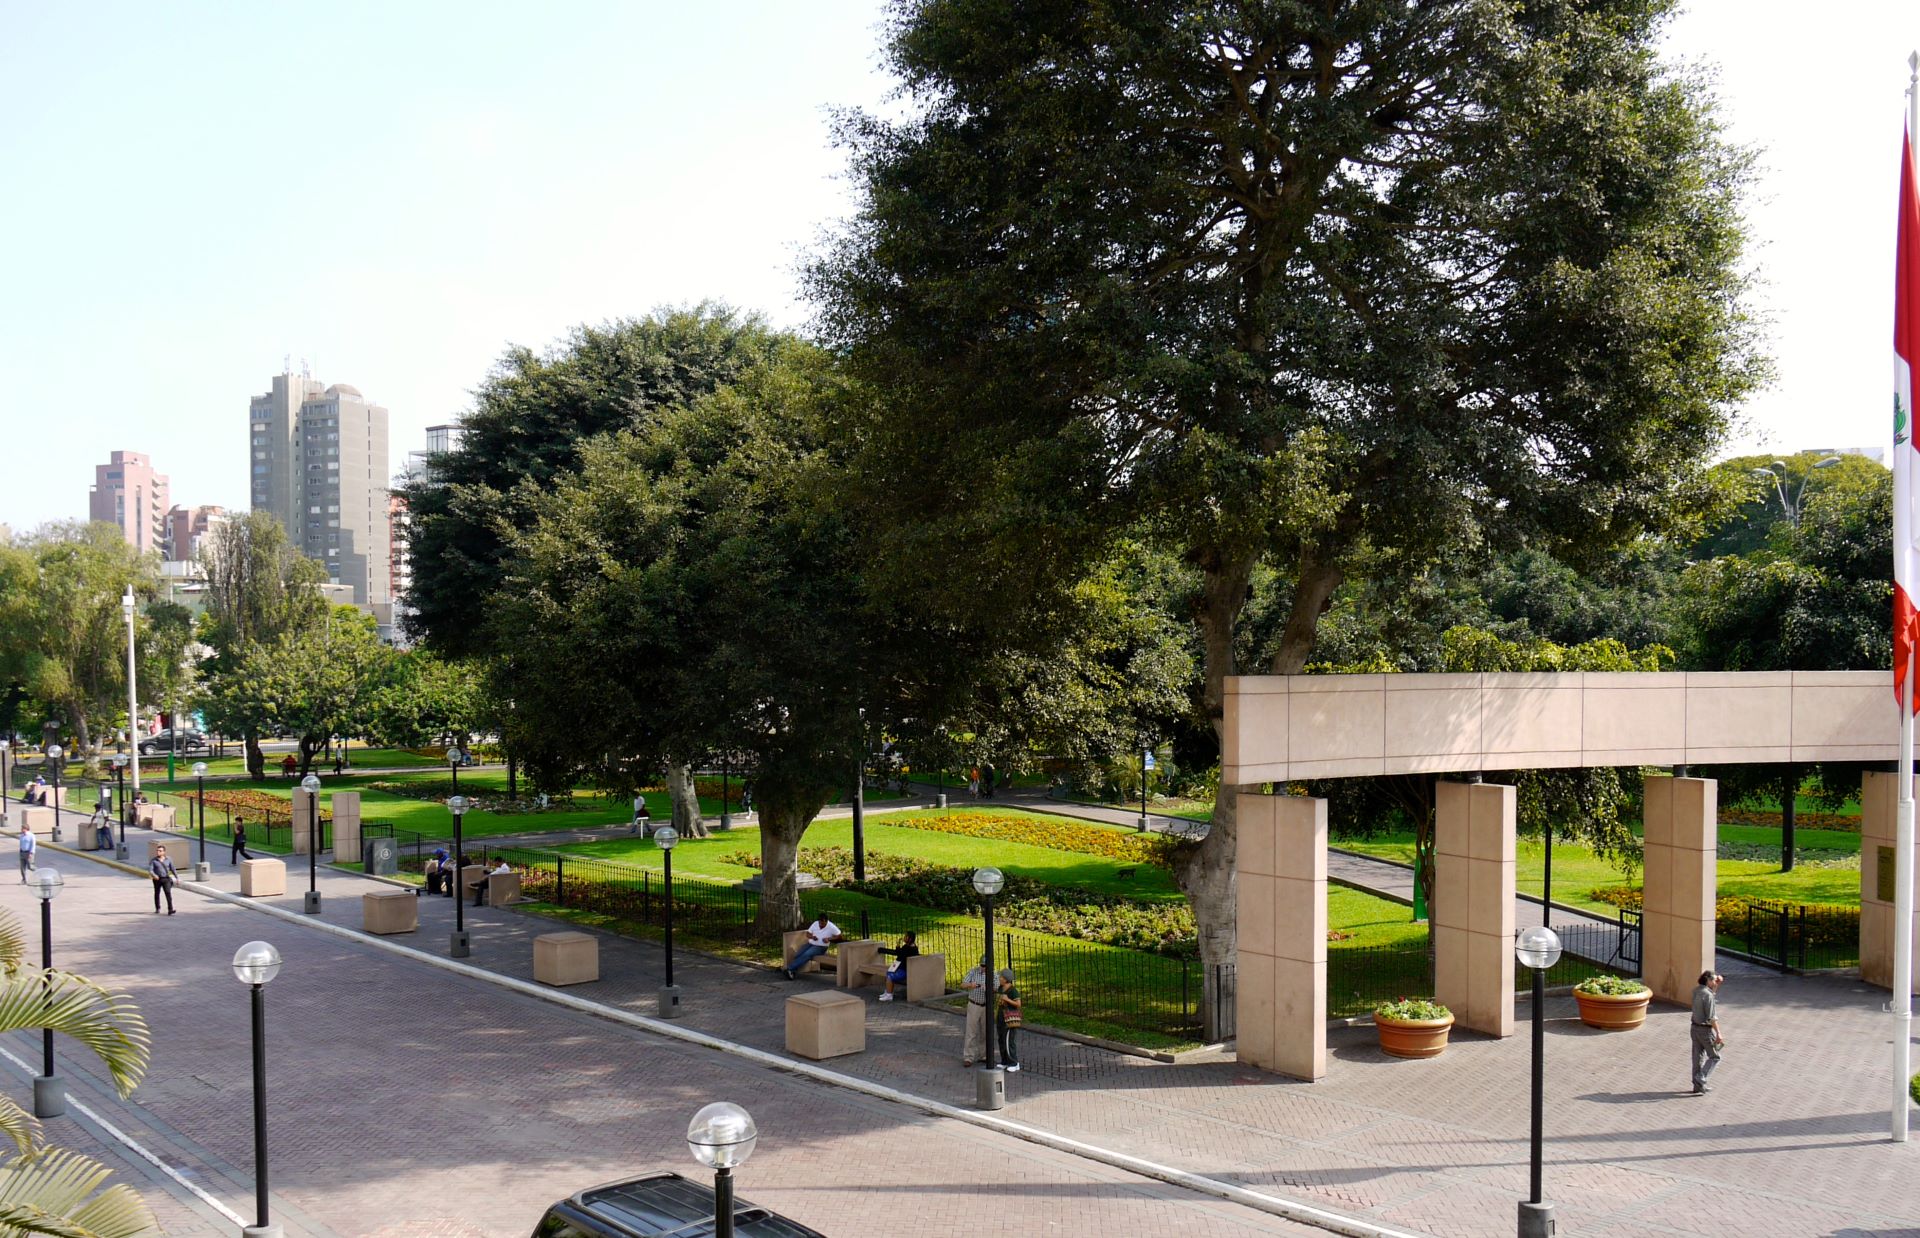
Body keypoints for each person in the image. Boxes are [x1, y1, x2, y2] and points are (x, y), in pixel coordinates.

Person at [1690, 970, 1724, 1094]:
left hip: (1694, 1028)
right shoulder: (1708, 995)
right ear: (1708, 980)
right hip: (1705, 1030)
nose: (1715, 982)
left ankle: (1697, 1086)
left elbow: (1709, 997)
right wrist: (1719, 1033)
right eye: (1714, 980)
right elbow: (1711, 1017)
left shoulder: (1696, 991)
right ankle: (1701, 1077)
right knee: (1715, 1056)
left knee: (1697, 1057)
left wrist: (1715, 987)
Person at [783, 912, 843, 979]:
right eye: (820, 923)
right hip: (810, 944)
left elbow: (839, 936)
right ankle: (792, 971)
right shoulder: (815, 923)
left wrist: (829, 939)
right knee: (798, 954)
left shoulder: (831, 927)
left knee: (807, 954)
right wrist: (812, 937)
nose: (821, 925)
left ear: (827, 921)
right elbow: (808, 934)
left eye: (823, 923)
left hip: (821, 947)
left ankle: (789, 969)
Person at [961, 956, 990, 1066]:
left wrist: (988, 987)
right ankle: (968, 1057)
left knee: (985, 1032)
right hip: (974, 1004)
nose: (984, 968)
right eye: (982, 966)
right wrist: (970, 985)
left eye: (986, 966)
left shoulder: (994, 974)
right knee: (971, 1032)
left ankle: (984, 1055)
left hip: (986, 1006)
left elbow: (997, 988)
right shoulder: (973, 972)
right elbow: (963, 984)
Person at [876, 931, 919, 1002]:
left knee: (890, 976)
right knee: (889, 973)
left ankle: (889, 995)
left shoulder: (910, 949)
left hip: (906, 970)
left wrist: (898, 948)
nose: (904, 938)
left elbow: (900, 955)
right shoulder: (908, 947)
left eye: (906, 936)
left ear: (910, 939)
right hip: (902, 968)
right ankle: (888, 992)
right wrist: (898, 945)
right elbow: (899, 953)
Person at [995, 967, 1022, 1072]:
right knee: (1001, 1039)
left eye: (1001, 977)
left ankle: (1014, 1063)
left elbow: (1018, 1004)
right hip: (1001, 1017)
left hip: (1009, 1019)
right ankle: (1004, 1061)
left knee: (1009, 1041)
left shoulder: (1013, 991)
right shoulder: (1000, 988)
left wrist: (1007, 1000)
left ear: (1006, 979)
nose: (999, 978)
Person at [150, 849, 178, 914]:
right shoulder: (154, 860)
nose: (158, 852)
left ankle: (170, 909)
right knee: (157, 893)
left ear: (164, 852)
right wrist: (154, 875)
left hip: (166, 879)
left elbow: (173, 868)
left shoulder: (168, 859)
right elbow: (151, 870)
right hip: (157, 879)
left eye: (160, 851)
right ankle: (157, 908)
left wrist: (177, 877)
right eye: (157, 850)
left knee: (168, 893)